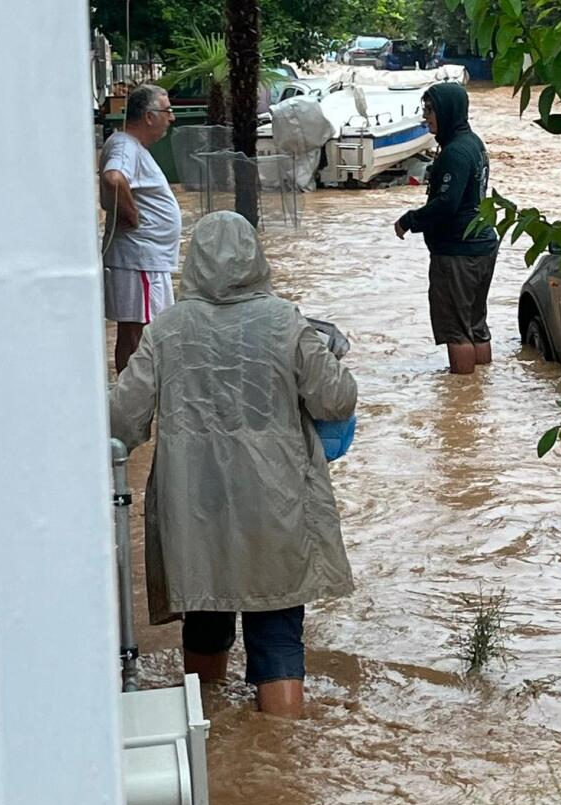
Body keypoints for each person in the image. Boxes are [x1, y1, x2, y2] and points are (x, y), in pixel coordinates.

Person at [109, 211, 357, 719]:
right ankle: (280, 762)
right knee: (278, 636)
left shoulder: (167, 330)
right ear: (256, 259)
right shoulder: (286, 321)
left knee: (203, 621)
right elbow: (336, 400)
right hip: (278, 506)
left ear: (192, 262)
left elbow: (120, 419)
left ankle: (212, 747)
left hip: (194, 507)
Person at [394, 83, 498, 375]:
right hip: (481, 245)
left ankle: (463, 409)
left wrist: (409, 220)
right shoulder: (474, 143)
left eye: (430, 110)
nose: (425, 117)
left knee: (456, 331)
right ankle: (480, 395)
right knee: (476, 325)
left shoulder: (454, 153)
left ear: (447, 111)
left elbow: (445, 205)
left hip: (457, 252)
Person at [100, 84, 181, 374]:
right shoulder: (125, 146)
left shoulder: (130, 146)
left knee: (139, 333)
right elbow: (113, 179)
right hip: (140, 259)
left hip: (145, 260)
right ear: (149, 116)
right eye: (167, 111)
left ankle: (135, 404)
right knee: (138, 335)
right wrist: (132, 215)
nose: (171, 118)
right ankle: (135, 409)